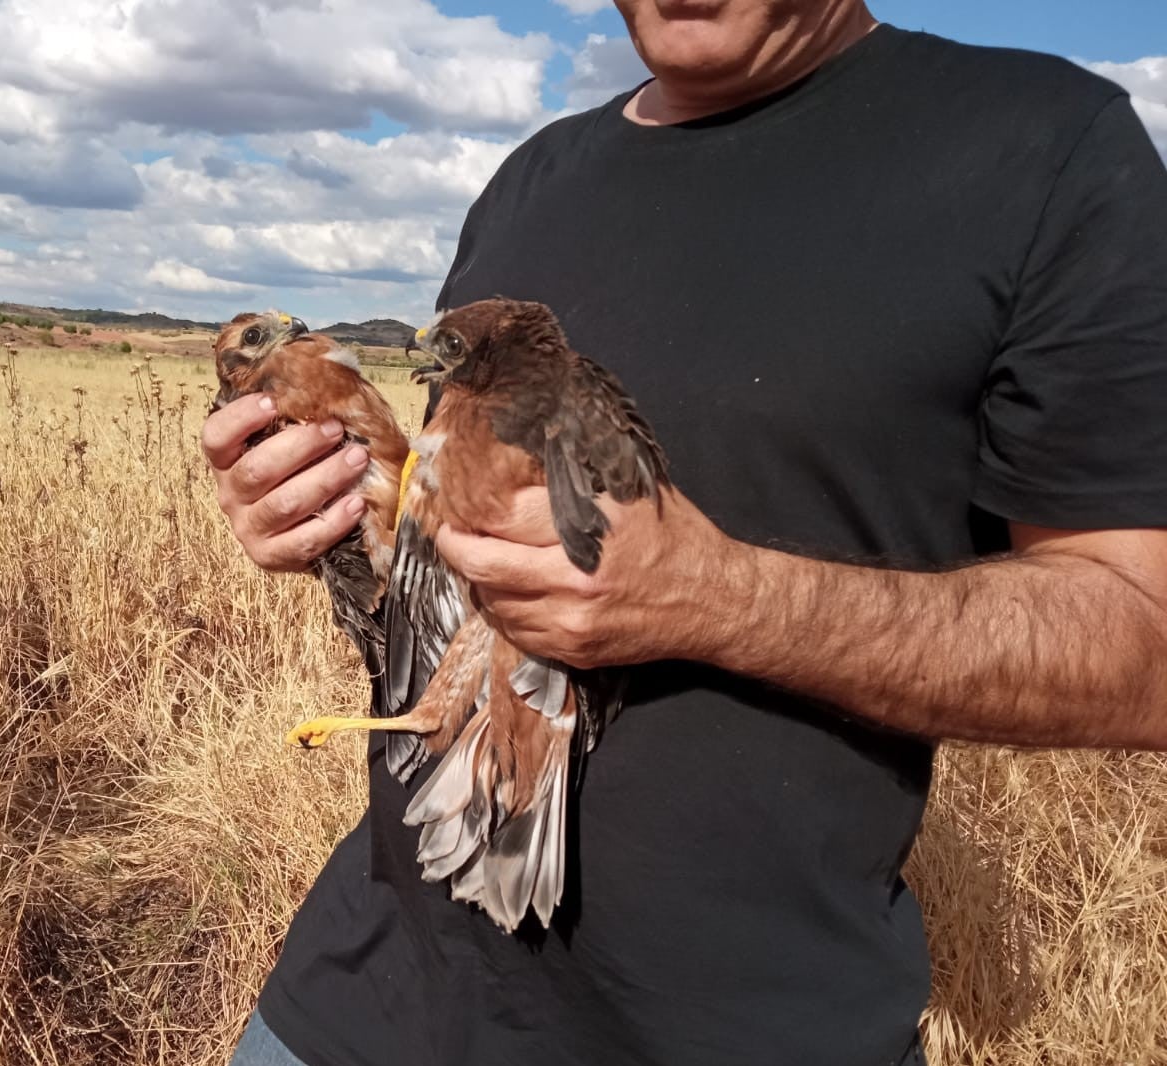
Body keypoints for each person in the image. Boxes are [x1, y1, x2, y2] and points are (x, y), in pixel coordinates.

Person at [200, 0, 1167, 1062]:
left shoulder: (1045, 154)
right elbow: (452, 538)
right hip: (357, 997)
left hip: (727, 1030)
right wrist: (336, 511)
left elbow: (1142, 639)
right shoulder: (533, 178)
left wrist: (723, 598)